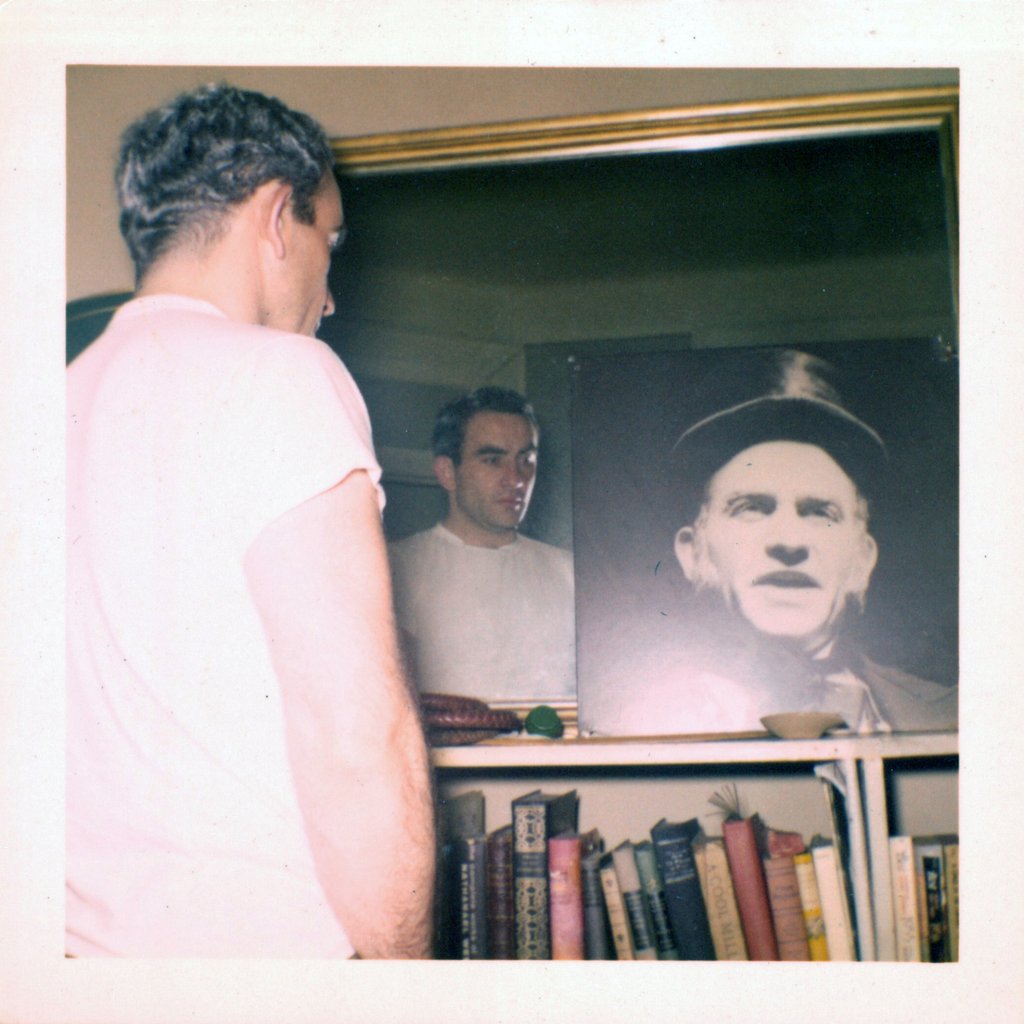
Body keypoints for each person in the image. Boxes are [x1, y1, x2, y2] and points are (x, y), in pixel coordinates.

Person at [66, 83, 435, 958]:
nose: (332, 293)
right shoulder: (283, 374)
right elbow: (357, 739)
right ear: (277, 218)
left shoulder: (48, 402)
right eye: (329, 242)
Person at [609, 349, 957, 736]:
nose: (789, 541)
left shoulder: (951, 712)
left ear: (862, 560)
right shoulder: (631, 721)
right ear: (694, 553)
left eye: (820, 513)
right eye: (751, 508)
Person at [388, 387, 576, 701]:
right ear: (447, 473)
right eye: (492, 460)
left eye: (525, 460)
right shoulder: (400, 568)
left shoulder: (571, 572)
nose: (515, 478)